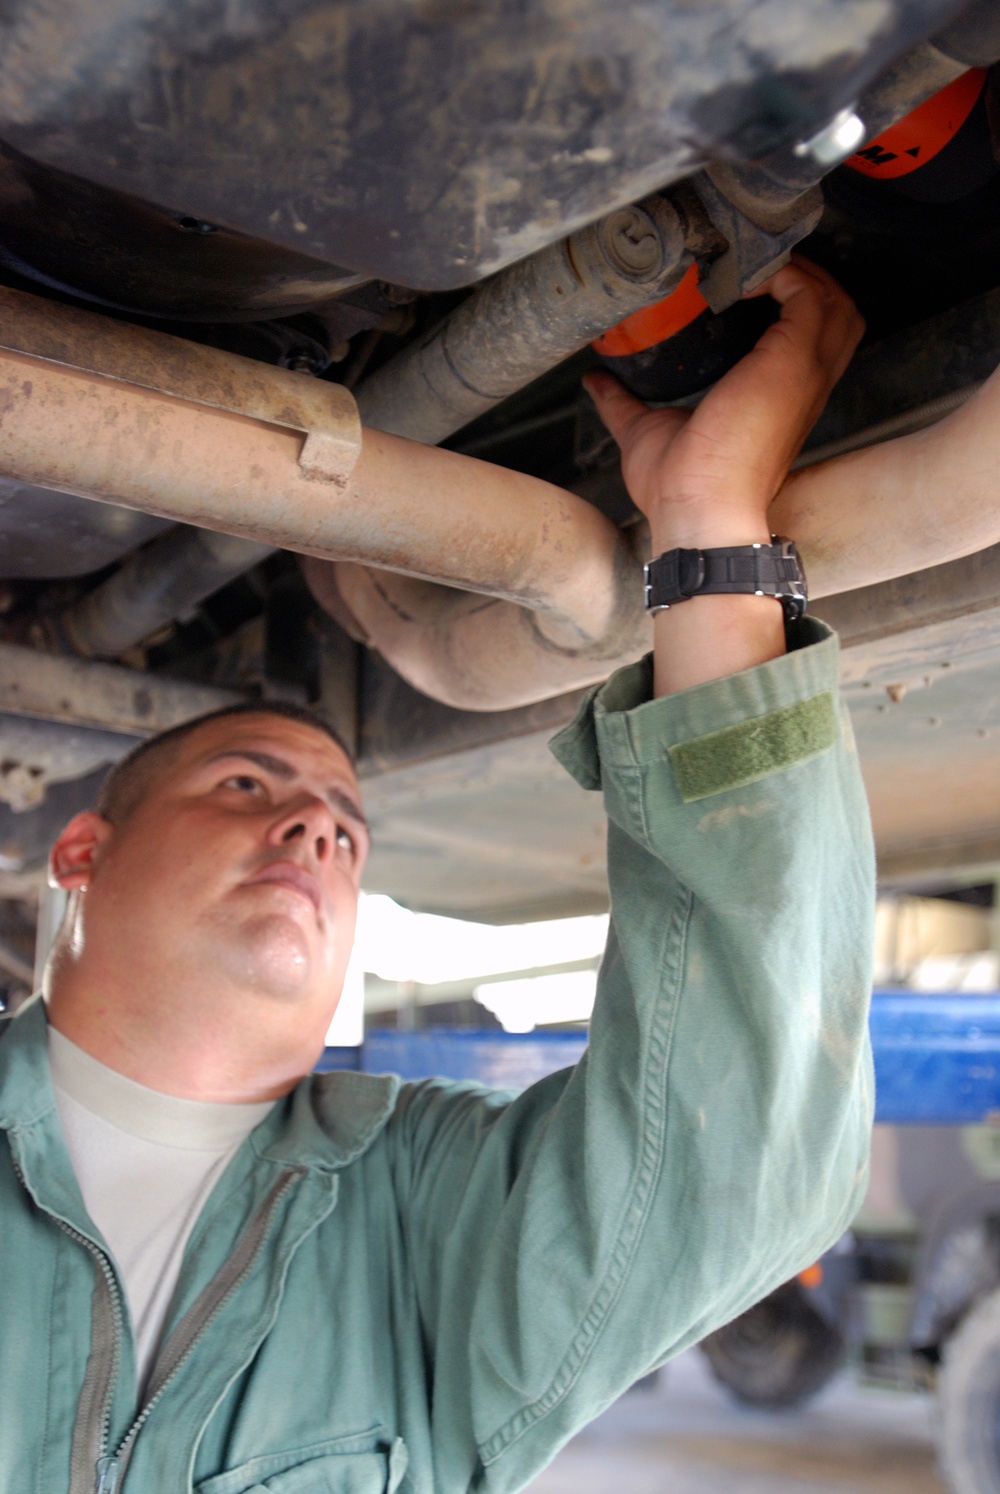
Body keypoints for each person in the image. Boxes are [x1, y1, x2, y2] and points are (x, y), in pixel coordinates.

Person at [0, 258, 875, 1494]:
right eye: (248, 785)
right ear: (80, 849)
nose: (314, 831)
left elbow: (737, 1159)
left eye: (345, 830)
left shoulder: (425, 1215)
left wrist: (707, 527)